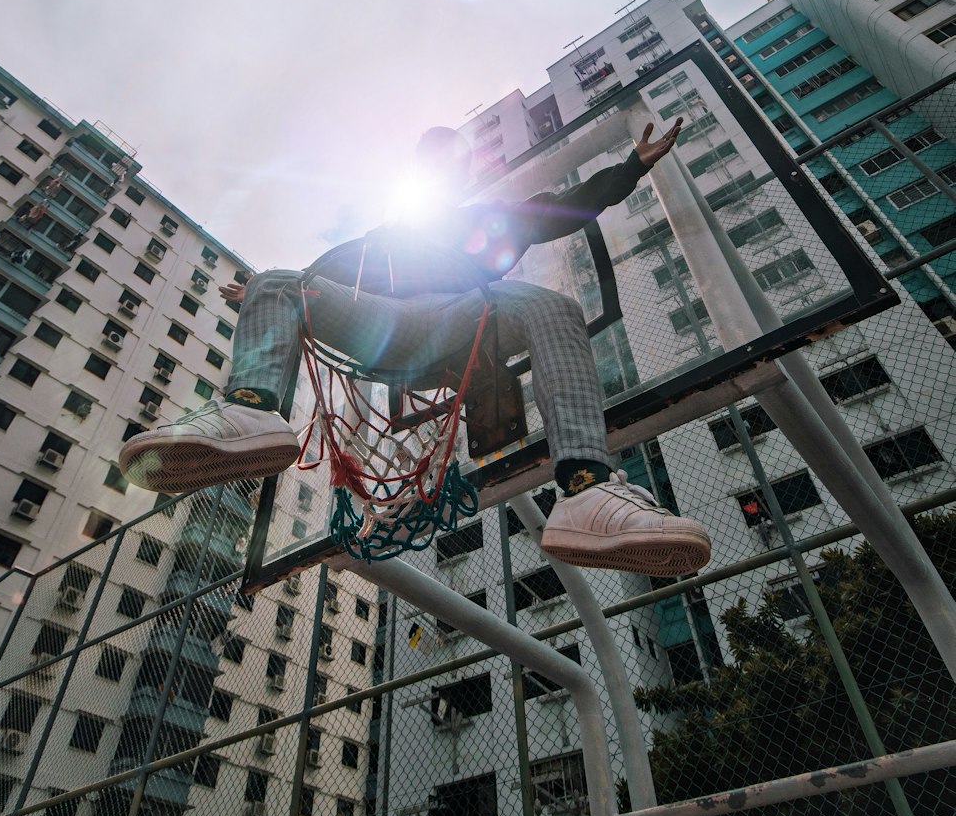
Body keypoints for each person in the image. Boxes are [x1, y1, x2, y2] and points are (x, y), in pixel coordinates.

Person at [120, 122, 711, 577]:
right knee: (278, 280)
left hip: (462, 317)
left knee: (551, 305)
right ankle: (250, 410)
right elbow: (312, 278)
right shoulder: (383, 239)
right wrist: (259, 292)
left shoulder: (486, 218)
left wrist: (628, 169)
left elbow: (560, 211)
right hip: (384, 328)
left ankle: (585, 489)